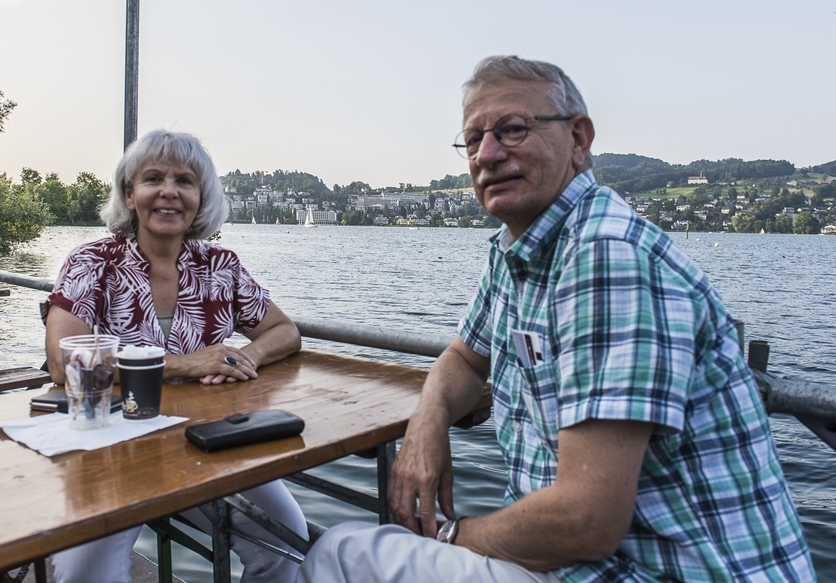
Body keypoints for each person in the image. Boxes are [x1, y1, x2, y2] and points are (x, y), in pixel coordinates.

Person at [297, 56, 815, 582]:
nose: (489, 154)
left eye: (512, 129)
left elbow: (585, 523)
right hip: (588, 564)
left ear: (579, 139)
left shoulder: (606, 258)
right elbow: (463, 358)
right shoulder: (523, 250)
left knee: (339, 554)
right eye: (472, 139)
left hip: (653, 571)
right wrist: (426, 427)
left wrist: (451, 535)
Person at [43, 130, 307, 583]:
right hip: (108, 450)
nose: (169, 191)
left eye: (184, 181)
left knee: (288, 543)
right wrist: (187, 363)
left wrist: (244, 357)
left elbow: (284, 331)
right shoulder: (92, 263)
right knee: (85, 576)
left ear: (200, 197)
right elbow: (63, 366)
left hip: (204, 443)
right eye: (153, 179)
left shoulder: (219, 266)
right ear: (130, 194)